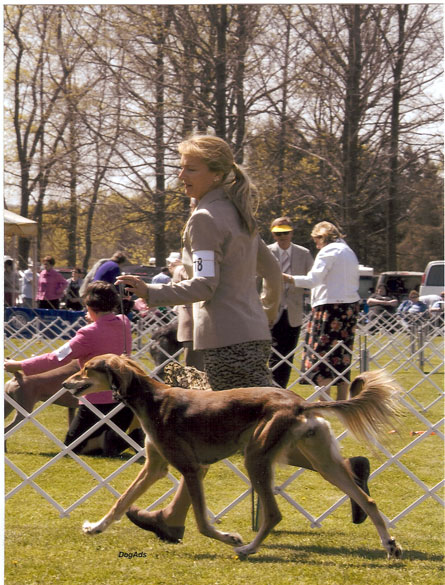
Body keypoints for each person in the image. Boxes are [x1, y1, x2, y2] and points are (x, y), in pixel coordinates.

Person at [116, 135, 370, 541]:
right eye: (181, 167)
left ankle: (347, 472)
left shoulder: (205, 217)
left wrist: (152, 293)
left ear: (217, 173)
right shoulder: (239, 212)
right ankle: (173, 518)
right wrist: (266, 311)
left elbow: (204, 286)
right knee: (226, 432)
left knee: (235, 432)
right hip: (247, 334)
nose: (181, 176)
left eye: (190, 168)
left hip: (223, 341)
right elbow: (271, 273)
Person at [4, 281, 136, 456]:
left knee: (73, 448)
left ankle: (112, 440)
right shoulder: (124, 322)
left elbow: (56, 358)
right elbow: (114, 318)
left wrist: (20, 365)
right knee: (79, 445)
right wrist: (98, 318)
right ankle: (121, 438)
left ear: (88, 306)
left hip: (96, 401)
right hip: (123, 398)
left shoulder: (87, 334)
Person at [283, 221, 360, 402]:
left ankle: (324, 401)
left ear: (322, 237)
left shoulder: (328, 251)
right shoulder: (348, 252)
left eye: (317, 240)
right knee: (342, 356)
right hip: (349, 308)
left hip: (329, 308)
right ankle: (342, 400)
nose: (316, 245)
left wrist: (286, 278)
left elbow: (313, 280)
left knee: (321, 354)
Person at [267, 216, 314, 388]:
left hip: (293, 313)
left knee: (287, 355)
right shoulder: (266, 252)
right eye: (278, 234)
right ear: (273, 235)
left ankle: (280, 390)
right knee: (270, 355)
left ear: (292, 233)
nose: (283, 236)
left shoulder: (304, 253)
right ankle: (267, 389)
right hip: (270, 311)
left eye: (286, 232)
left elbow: (313, 279)